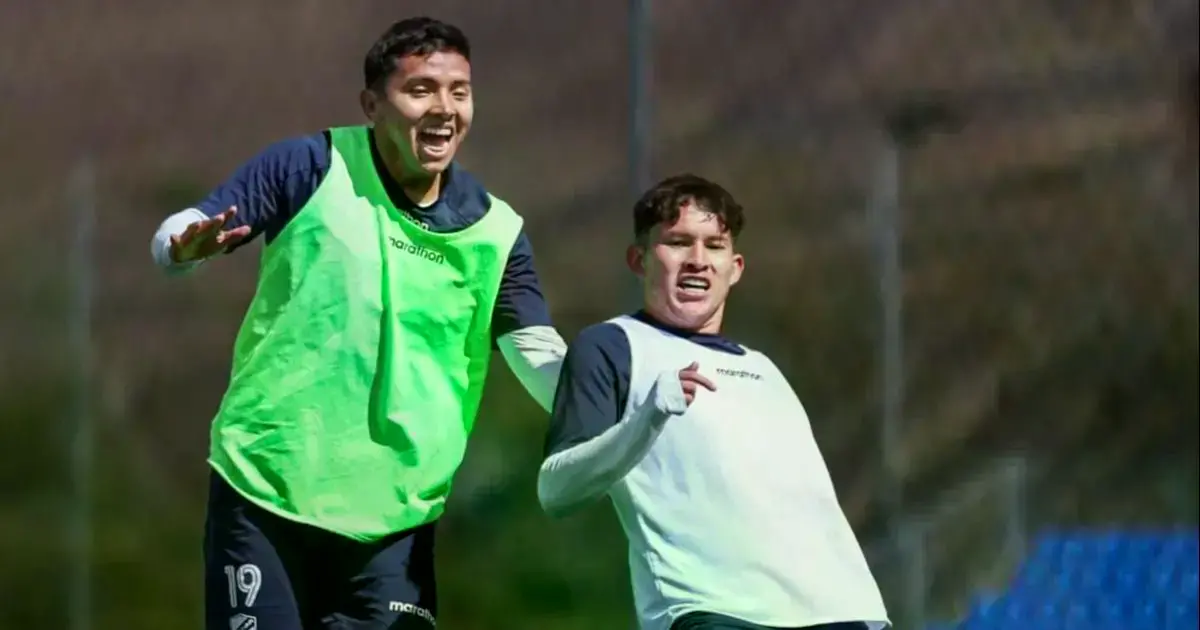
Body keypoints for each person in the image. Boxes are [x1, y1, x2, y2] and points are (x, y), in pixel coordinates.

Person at [149, 17, 565, 630]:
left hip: (397, 526)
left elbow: (539, 357)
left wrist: (624, 399)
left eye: (459, 91)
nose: (444, 109)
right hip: (266, 493)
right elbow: (178, 235)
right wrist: (184, 247)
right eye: (420, 90)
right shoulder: (310, 166)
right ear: (372, 105)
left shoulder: (495, 232)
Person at [537, 174, 891, 630]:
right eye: (678, 242)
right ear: (639, 259)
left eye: (714, 245)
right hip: (716, 612)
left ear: (735, 267)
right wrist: (647, 419)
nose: (698, 261)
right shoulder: (613, 346)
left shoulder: (764, 369)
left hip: (847, 614)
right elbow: (556, 491)